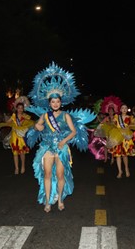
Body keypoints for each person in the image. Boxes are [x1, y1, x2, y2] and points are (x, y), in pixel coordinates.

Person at [25, 62, 95, 213]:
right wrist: (37, 126)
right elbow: (37, 127)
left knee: (60, 174)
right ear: (49, 103)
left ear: (60, 102)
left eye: (57, 101)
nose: (55, 103)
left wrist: (64, 140)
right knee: (47, 174)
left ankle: (61, 199)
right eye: (53, 101)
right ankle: (48, 201)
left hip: (62, 147)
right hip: (47, 147)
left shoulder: (66, 115)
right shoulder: (45, 115)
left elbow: (73, 132)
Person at [0, 98, 34, 174]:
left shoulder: (26, 116)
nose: (20, 109)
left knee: (22, 152)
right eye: (19, 108)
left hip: (22, 136)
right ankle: (16, 168)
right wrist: (5, 123)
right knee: (15, 152)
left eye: (22, 108)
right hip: (15, 136)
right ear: (16, 108)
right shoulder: (14, 116)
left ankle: (23, 166)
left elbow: (31, 124)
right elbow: (8, 122)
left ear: (23, 109)